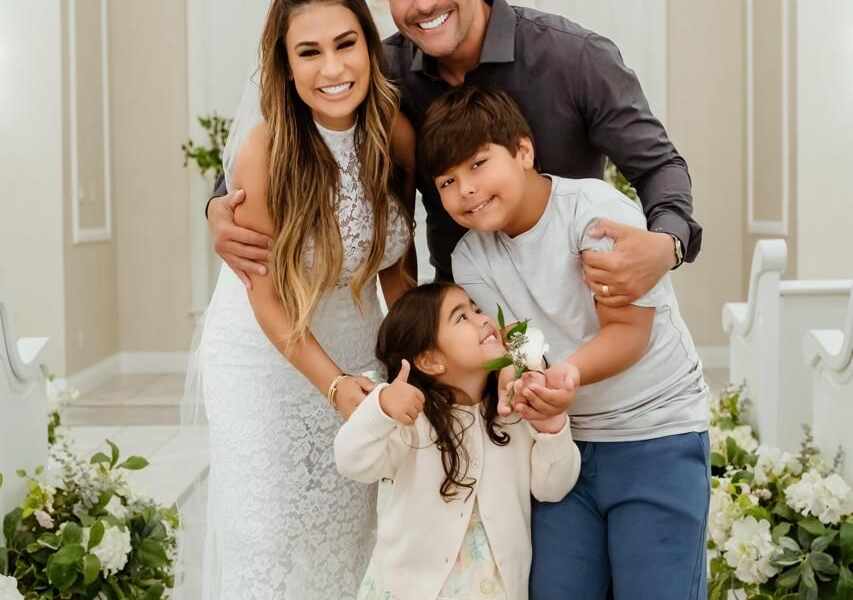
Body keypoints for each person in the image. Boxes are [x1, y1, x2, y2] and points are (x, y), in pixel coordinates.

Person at [208, 0, 701, 309]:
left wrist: (668, 245)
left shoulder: (574, 58)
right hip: (468, 324)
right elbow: (285, 129)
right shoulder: (382, 72)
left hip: (585, 309)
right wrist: (220, 206)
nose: (424, 5)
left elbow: (658, 165)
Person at [419, 85, 710, 599]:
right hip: (564, 446)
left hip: (655, 432)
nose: (466, 189)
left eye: (479, 164)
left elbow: (628, 332)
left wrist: (566, 374)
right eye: (448, 181)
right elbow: (521, 343)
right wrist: (525, 380)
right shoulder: (470, 259)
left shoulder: (594, 214)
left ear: (524, 151)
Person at [192, 0, 415, 597]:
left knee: (347, 537)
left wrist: (416, 353)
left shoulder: (395, 136)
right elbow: (268, 302)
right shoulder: (264, 153)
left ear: (370, 47)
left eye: (345, 44)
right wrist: (334, 385)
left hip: (356, 345)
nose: (332, 68)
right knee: (269, 537)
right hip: (264, 358)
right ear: (286, 68)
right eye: (309, 52)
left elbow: (397, 267)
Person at [335, 283, 581, 600]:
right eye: (461, 317)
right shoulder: (411, 421)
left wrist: (551, 426)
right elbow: (352, 462)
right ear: (430, 361)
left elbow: (553, 487)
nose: (483, 319)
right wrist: (382, 406)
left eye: (476, 309)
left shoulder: (512, 411)